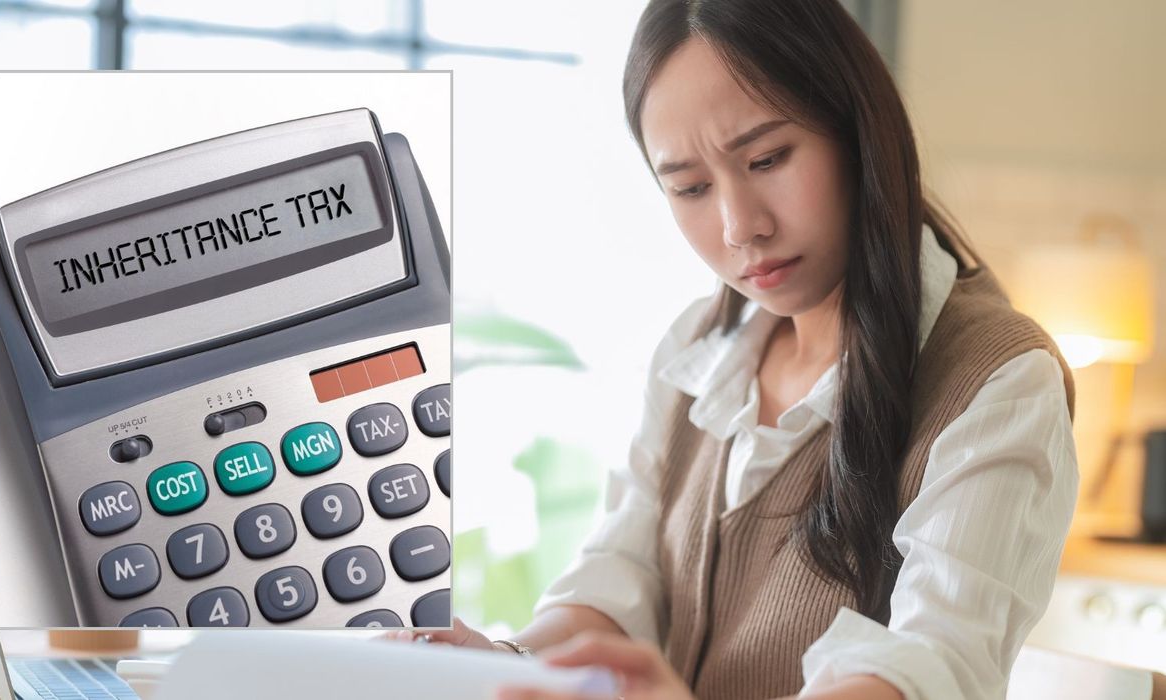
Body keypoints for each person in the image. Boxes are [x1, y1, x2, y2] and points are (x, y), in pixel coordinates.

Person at [406, 1, 1079, 698]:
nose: (738, 227)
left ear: (857, 132)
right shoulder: (699, 349)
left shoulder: (997, 378)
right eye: (689, 188)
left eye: (765, 159)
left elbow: (928, 663)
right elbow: (623, 575)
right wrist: (498, 660)